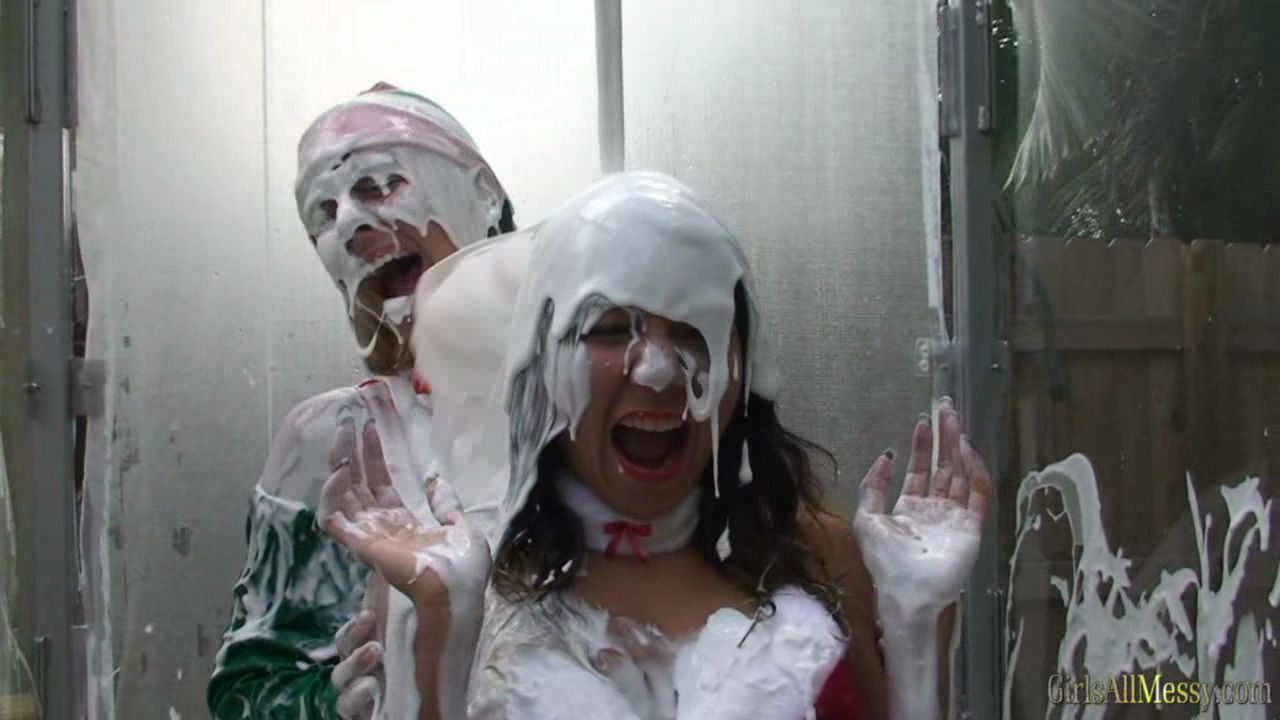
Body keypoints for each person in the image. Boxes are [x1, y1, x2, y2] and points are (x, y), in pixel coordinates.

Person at [318, 172, 990, 719]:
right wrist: (431, 635)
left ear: (743, 365)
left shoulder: (818, 551)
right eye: (610, 331)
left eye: (697, 333)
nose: (660, 372)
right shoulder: (459, 572)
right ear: (541, 363)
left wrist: (920, 623)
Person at [206, 84, 516, 720]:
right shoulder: (335, 440)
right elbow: (248, 691)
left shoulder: (594, 400)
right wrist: (332, 702)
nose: (348, 225)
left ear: (485, 194)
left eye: (379, 186)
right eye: (323, 214)